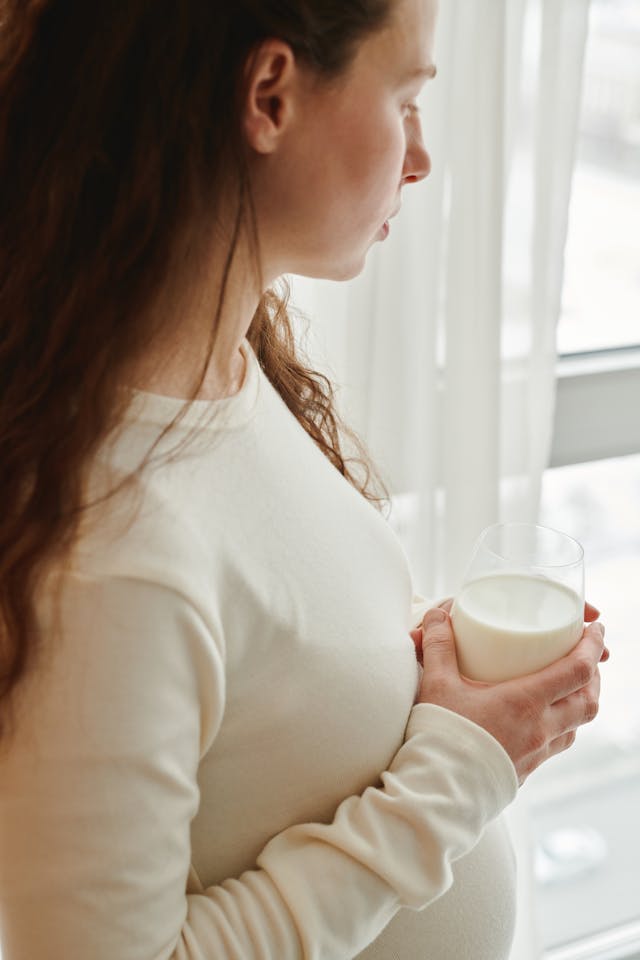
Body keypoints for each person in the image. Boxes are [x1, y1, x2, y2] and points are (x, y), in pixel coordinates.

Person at [0, 1, 607, 958]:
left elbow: (263, 659)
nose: (421, 157)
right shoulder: (107, 556)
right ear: (270, 94)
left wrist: (427, 676)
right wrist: (458, 769)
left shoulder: (226, 362)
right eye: (405, 98)